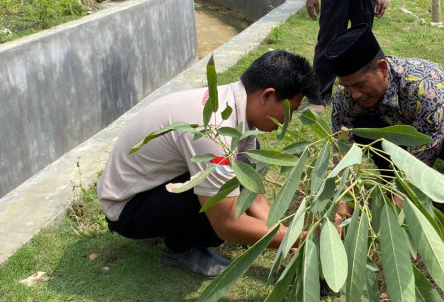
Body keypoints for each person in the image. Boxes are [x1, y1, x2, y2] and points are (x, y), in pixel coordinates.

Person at [96, 50, 320, 277]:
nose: (288, 121)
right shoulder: (214, 129)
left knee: (244, 167)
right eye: (289, 111)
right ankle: (179, 248)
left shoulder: (233, 105)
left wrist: (286, 234)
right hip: (127, 209)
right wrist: (297, 237)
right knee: (217, 217)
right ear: (267, 95)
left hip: (152, 188)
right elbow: (226, 223)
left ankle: (185, 228)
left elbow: (253, 193)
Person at [326, 24, 444, 177]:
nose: (355, 94)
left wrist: (402, 196)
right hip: (401, 131)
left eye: (360, 85)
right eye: (347, 86)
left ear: (383, 68)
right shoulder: (345, 94)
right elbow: (342, 146)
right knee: (361, 127)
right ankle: (390, 178)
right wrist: (344, 194)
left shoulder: (424, 87)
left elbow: (422, 159)